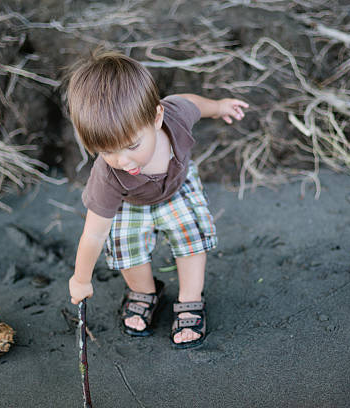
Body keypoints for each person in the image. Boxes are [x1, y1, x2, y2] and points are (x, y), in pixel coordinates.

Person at [66, 51, 248, 349]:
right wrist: (81, 278)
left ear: (156, 116)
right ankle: (144, 292)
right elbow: (94, 233)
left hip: (177, 188)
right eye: (107, 151)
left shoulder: (175, 115)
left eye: (131, 146)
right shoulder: (108, 176)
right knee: (125, 244)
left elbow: (195, 104)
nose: (122, 160)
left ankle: (190, 298)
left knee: (190, 236)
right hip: (131, 202)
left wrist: (219, 107)